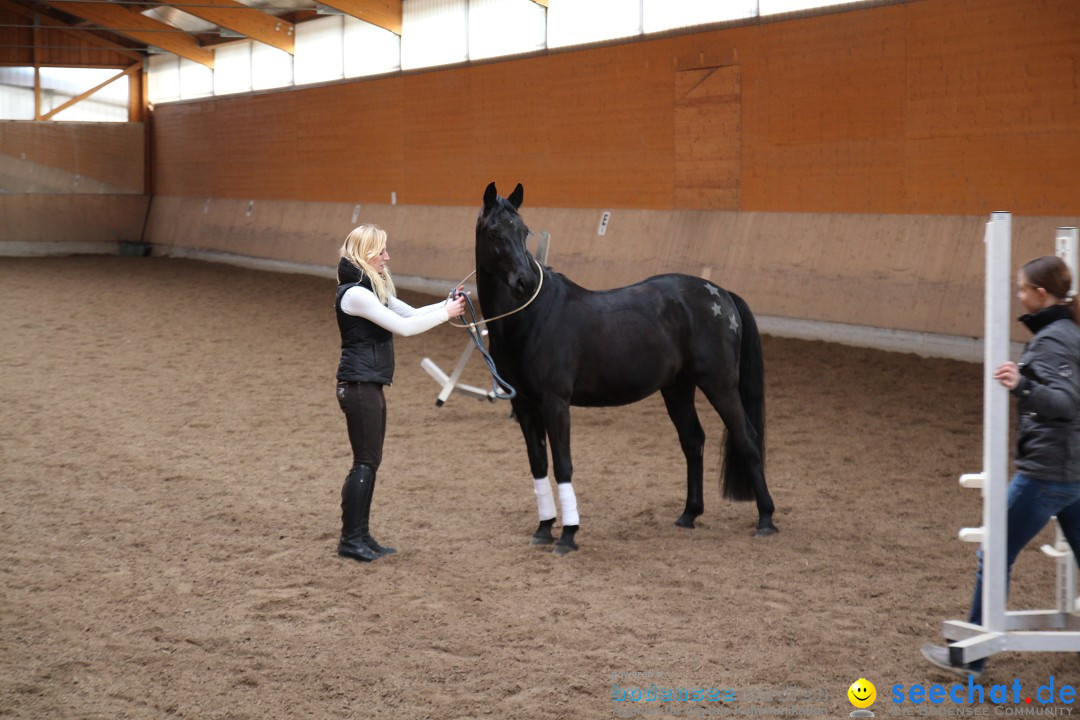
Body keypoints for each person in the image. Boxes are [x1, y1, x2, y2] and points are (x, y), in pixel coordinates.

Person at [922, 255, 1080, 677]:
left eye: (1022, 288)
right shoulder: (1066, 331)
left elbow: (1064, 402)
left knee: (994, 551)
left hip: (1047, 472)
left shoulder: (1053, 339)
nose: (1018, 294)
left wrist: (1021, 385)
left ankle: (974, 653)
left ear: (1040, 294)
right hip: (1069, 470)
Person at [334, 224, 467, 562]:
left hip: (369, 384)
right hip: (359, 385)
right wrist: (447, 315)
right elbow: (406, 329)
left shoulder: (373, 289)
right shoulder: (356, 294)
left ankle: (361, 536)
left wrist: (444, 304)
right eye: (381, 251)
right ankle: (351, 539)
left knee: (370, 461)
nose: (387, 257)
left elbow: (411, 313)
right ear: (366, 253)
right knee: (365, 462)